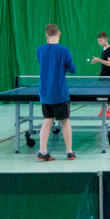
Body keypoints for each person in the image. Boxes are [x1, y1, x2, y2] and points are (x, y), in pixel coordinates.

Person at [36, 23, 76, 161]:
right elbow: (72, 69)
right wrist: (68, 67)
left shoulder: (40, 49)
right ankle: (69, 152)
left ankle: (42, 152)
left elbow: (42, 62)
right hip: (59, 93)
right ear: (59, 34)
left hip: (45, 93)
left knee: (47, 121)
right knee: (65, 122)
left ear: (46, 35)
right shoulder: (64, 50)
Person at [90, 31, 110, 117]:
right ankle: (104, 108)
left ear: (106, 39)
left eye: (101, 40)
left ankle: (108, 110)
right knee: (102, 91)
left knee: (109, 92)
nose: (99, 42)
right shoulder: (103, 49)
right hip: (104, 74)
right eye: (98, 41)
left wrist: (98, 60)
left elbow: (109, 63)